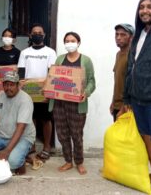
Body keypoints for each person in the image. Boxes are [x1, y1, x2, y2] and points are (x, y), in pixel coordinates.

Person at [122, 0, 151, 191]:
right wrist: (127, 98)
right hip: (138, 99)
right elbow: (131, 68)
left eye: (149, 6)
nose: (145, 11)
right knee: (147, 138)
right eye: (142, 7)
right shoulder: (140, 34)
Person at [51, 32, 95, 174]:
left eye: (73, 40)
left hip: (76, 103)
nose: (70, 43)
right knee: (62, 133)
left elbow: (91, 81)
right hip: (59, 103)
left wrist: (85, 93)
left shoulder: (86, 60)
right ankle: (68, 161)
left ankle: (79, 162)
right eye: (67, 41)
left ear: (78, 43)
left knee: (76, 134)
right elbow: (53, 78)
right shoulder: (60, 59)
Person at [0, 71, 36, 175]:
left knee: (13, 162)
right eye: (5, 84)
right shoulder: (0, 95)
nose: (8, 88)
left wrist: (7, 151)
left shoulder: (25, 100)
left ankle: (21, 160)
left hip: (23, 137)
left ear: (18, 85)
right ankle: (12, 152)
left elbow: (20, 128)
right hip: (3, 135)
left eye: (12, 85)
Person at [18, 23, 56, 161]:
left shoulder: (50, 52)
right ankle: (31, 146)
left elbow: (52, 73)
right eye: (34, 32)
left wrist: (47, 89)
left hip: (44, 91)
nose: (37, 34)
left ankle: (46, 147)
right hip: (28, 93)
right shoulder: (24, 53)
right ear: (30, 35)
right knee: (30, 120)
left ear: (44, 35)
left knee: (46, 119)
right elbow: (21, 73)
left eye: (40, 32)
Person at [110, 24, 134, 122]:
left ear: (132, 38)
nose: (119, 38)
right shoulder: (118, 54)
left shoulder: (133, 55)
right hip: (117, 105)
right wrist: (113, 101)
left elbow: (133, 83)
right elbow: (118, 79)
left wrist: (125, 105)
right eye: (117, 34)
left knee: (127, 137)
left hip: (127, 107)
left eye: (123, 35)